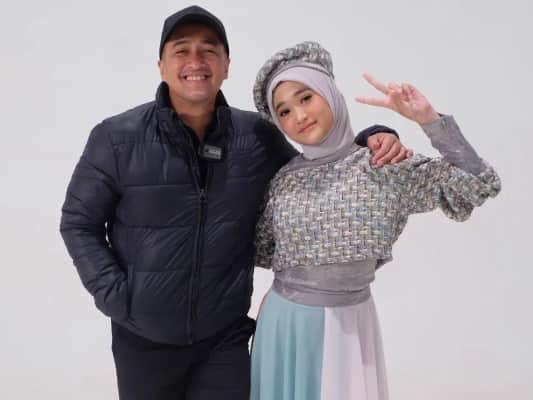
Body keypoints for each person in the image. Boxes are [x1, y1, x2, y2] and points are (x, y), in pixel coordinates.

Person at [59, 6, 409, 400]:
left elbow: (317, 166)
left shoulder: (255, 136)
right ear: (161, 65)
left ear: (226, 66)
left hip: (223, 341)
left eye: (209, 50)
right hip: (143, 340)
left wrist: (372, 137)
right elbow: (78, 222)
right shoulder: (115, 138)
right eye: (181, 50)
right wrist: (117, 296)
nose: (196, 61)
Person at [250, 41, 501, 400]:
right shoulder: (283, 180)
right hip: (282, 325)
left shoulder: (382, 165)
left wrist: (429, 120)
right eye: (285, 111)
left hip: (349, 327)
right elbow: (262, 249)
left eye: (306, 97)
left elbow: (479, 184)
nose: (300, 116)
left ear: (330, 94)